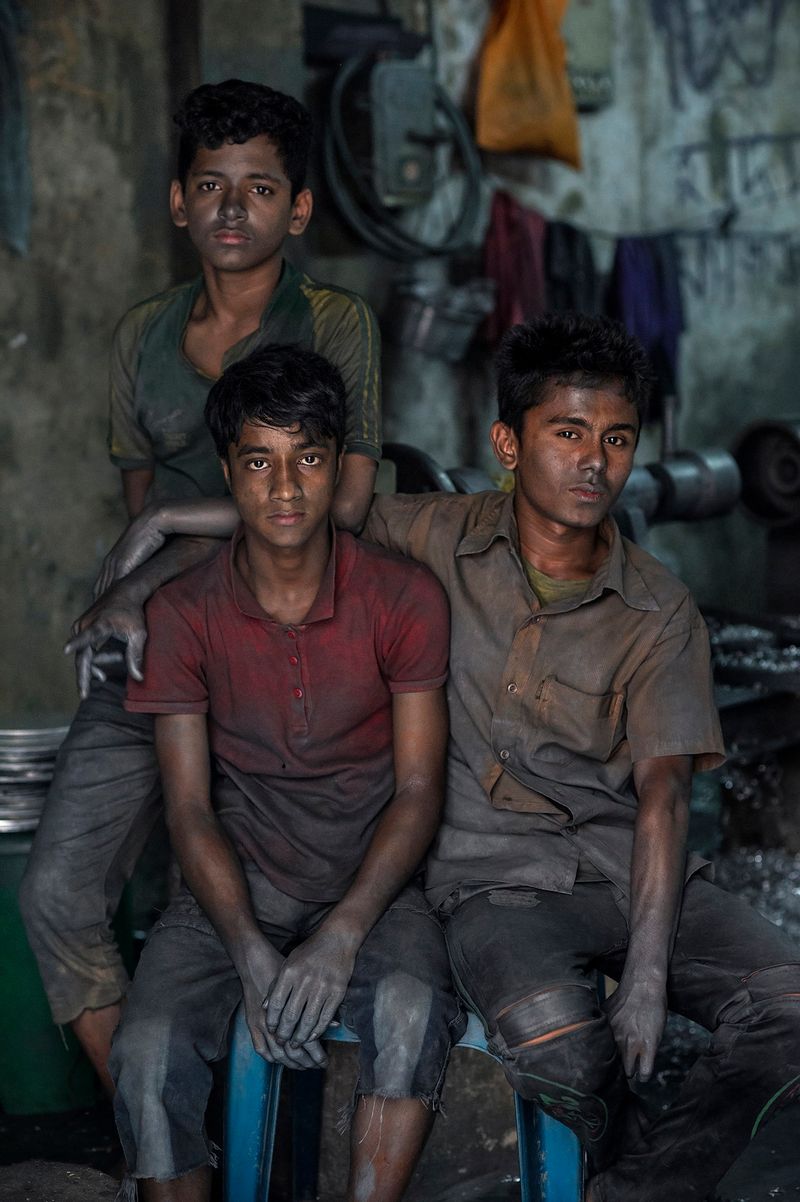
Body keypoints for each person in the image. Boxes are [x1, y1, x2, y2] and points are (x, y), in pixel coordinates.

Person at [94, 312, 800, 1202]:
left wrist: (649, 971)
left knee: (791, 1013)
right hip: (495, 886)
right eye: (567, 433)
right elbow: (289, 512)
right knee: (559, 1050)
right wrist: (147, 545)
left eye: (616, 439)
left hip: (632, 871)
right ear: (509, 443)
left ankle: (641, 1187)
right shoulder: (433, 537)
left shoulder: (659, 610)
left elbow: (662, 799)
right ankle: (621, 1145)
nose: (594, 462)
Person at [19, 78, 382, 1096]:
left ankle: (261, 1121)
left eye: (260, 188)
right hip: (154, 648)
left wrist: (167, 522)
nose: (233, 209)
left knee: (225, 892)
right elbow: (140, 515)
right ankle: (165, 1110)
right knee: (53, 891)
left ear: (297, 208)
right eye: (210, 186)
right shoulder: (142, 333)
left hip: (289, 647)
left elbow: (341, 506)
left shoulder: (335, 324)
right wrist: (142, 568)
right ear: (177, 202)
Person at [109, 343, 461, 1202]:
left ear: (339, 466)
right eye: (259, 461)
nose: (286, 488)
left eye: (308, 458)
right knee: (146, 1053)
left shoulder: (403, 597)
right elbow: (188, 809)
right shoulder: (181, 614)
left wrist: (342, 935)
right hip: (233, 889)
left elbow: (419, 788)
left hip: (374, 888)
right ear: (227, 472)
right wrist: (248, 952)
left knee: (411, 1014)